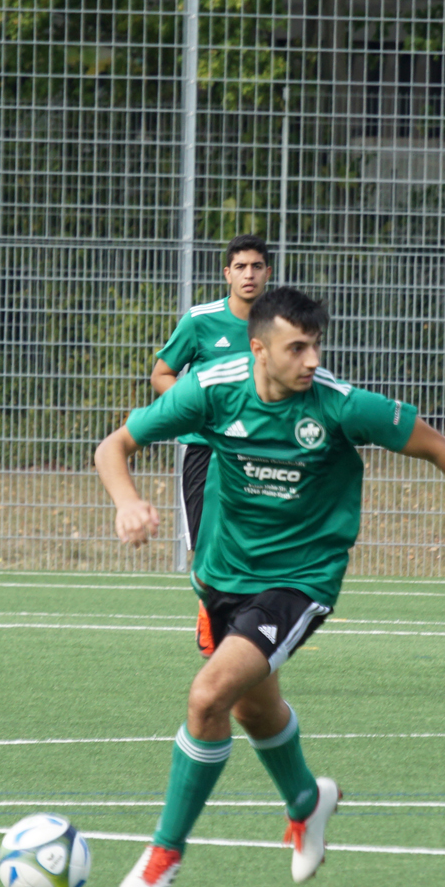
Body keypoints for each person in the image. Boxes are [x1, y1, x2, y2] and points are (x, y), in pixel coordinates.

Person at [95, 286, 445, 887]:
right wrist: (127, 501)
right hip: (221, 577)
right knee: (249, 709)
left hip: (299, 581)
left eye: (316, 345)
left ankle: (164, 853)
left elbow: (437, 447)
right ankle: (306, 801)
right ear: (259, 349)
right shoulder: (213, 389)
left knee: (208, 697)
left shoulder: (341, 407)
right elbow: (114, 447)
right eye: (297, 347)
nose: (313, 359)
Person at [151, 233, 272, 657]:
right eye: (240, 266)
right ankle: (210, 618)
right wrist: (196, 408)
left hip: (259, 451)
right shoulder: (200, 321)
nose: (249, 274)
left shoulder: (276, 324)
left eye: (256, 266)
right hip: (205, 449)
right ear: (227, 274)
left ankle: (247, 633)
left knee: (255, 544)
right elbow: (162, 374)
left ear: (267, 272)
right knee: (204, 545)